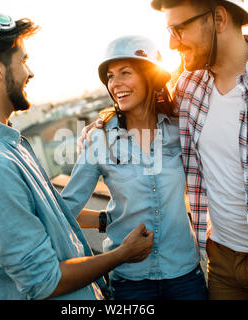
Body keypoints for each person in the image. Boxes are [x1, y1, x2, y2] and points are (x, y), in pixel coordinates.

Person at [80, 0, 248, 300]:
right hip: (220, 266)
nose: (172, 43)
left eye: (179, 29)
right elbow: (142, 106)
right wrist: (104, 122)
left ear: (219, 18)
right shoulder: (189, 87)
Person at [0, 4, 154, 300]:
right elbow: (45, 282)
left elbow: (46, 216)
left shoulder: (3, 142)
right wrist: (123, 254)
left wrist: (106, 220)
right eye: (23, 60)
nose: (30, 72)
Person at [62, 35, 207, 300]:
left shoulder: (180, 128)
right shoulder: (100, 138)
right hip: (130, 283)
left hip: (185, 277)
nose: (115, 84)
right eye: (110, 76)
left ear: (150, 77)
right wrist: (104, 220)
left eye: (125, 73)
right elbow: (64, 209)